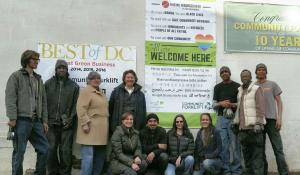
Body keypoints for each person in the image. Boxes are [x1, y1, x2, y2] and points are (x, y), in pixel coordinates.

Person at [5, 50, 49, 175]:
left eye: (37, 59)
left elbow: (43, 101)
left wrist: (44, 120)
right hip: (21, 121)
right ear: (26, 60)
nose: (36, 62)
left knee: (45, 149)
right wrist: (12, 118)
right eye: (34, 59)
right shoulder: (16, 76)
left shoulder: (38, 79)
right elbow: (10, 98)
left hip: (36, 121)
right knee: (19, 151)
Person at [45, 59, 79, 175]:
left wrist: (71, 119)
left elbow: (76, 105)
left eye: (64, 68)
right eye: (59, 68)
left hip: (66, 124)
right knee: (51, 149)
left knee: (65, 151)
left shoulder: (74, 86)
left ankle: (65, 173)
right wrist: (44, 119)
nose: (61, 70)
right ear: (56, 70)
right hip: (50, 123)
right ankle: (53, 172)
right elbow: (43, 103)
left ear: (67, 70)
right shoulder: (48, 84)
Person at [255, 63, 289, 175]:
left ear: (266, 72)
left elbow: (279, 102)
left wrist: (279, 118)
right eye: (259, 69)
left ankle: (283, 172)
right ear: (256, 72)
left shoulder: (272, 84)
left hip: (272, 120)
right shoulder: (253, 86)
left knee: (278, 148)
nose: (261, 71)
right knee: (260, 149)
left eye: (263, 69)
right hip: (259, 122)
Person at [233, 69, 266, 175]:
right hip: (243, 131)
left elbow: (261, 107)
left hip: (255, 130)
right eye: (242, 77)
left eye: (246, 76)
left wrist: (259, 123)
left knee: (257, 160)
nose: (244, 78)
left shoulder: (257, 89)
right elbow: (240, 108)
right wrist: (235, 122)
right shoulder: (240, 91)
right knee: (247, 161)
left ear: (251, 77)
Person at [76, 72, 109, 175]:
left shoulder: (101, 93)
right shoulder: (86, 91)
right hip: (89, 128)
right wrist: (85, 123)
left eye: (98, 78)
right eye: (93, 78)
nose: (96, 80)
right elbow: (81, 108)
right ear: (88, 80)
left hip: (101, 131)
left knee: (100, 157)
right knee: (88, 157)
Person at [213, 66, 241, 175]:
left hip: (234, 118)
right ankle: (226, 170)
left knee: (235, 145)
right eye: (222, 72)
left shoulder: (238, 86)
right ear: (220, 75)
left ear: (230, 73)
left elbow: (241, 104)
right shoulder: (217, 87)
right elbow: (213, 105)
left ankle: (237, 170)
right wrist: (221, 103)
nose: (224, 73)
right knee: (223, 145)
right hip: (221, 119)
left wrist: (231, 104)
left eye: (226, 71)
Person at [109, 69, 146, 134]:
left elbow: (143, 111)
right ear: (124, 79)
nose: (130, 79)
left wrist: (142, 125)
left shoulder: (141, 94)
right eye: (128, 77)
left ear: (135, 79)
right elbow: (110, 109)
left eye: (132, 77)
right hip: (119, 123)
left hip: (135, 124)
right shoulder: (116, 92)